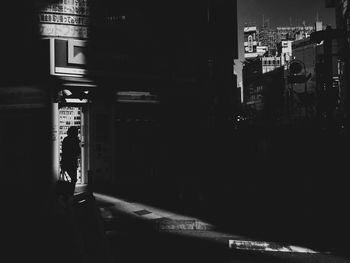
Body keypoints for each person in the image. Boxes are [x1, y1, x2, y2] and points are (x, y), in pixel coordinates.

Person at [61, 126, 81, 195]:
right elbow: (78, 152)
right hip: (72, 162)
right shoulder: (75, 140)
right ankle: (70, 193)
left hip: (66, 161)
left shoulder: (65, 139)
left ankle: (68, 193)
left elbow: (64, 152)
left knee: (71, 178)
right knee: (74, 179)